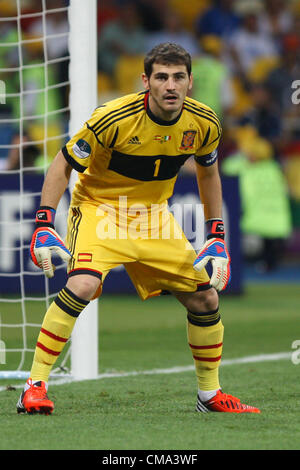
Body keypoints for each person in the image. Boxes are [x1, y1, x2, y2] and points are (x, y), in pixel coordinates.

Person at [17, 43, 260, 415]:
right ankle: (33, 387)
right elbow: (61, 164)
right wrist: (45, 222)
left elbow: (209, 173)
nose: (170, 86)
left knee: (205, 299)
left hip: (153, 217)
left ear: (190, 82)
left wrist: (216, 235)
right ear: (146, 81)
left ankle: (209, 396)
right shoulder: (113, 117)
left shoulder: (204, 122)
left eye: (178, 77)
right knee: (81, 284)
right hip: (99, 209)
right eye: (161, 77)